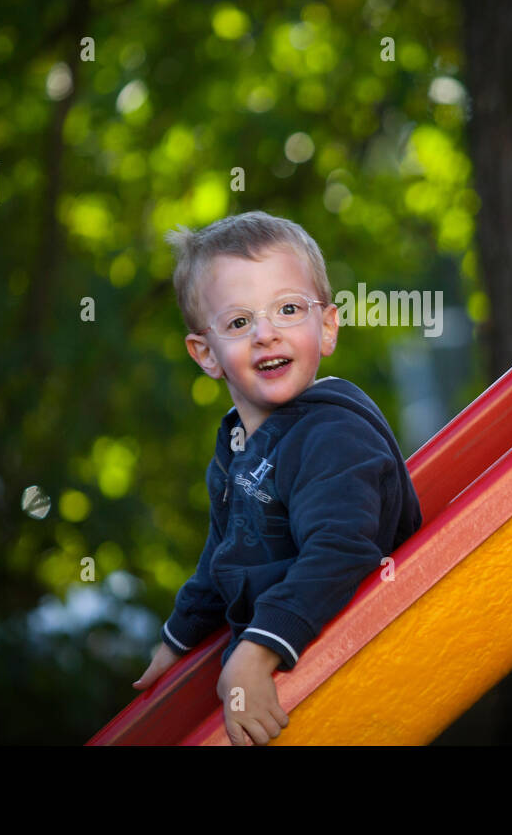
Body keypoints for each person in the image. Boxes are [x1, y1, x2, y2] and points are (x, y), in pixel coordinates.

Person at [132, 210, 423, 745]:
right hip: (283, 658)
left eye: (288, 310)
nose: (266, 334)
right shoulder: (238, 445)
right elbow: (225, 553)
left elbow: (340, 552)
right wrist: (176, 641)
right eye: (239, 322)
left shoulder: (333, 437)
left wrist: (256, 651)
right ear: (206, 354)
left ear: (327, 327)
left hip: (346, 660)